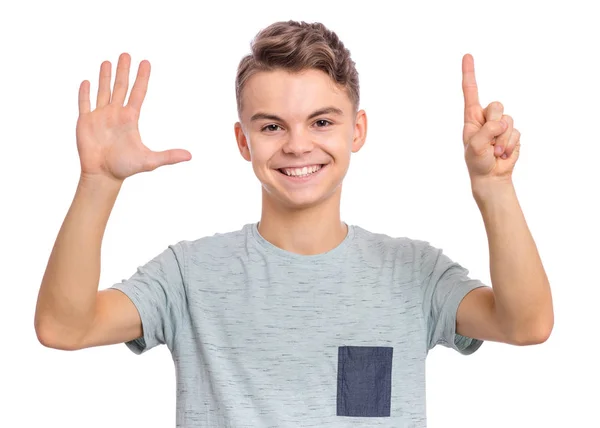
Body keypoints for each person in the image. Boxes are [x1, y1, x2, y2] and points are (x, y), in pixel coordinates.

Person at [34, 20, 554, 427]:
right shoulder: (189, 276)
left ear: (357, 130)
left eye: (322, 121)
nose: (298, 144)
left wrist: (494, 188)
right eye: (271, 126)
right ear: (244, 142)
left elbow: (526, 324)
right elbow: (63, 327)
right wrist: (98, 182)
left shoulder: (414, 273)